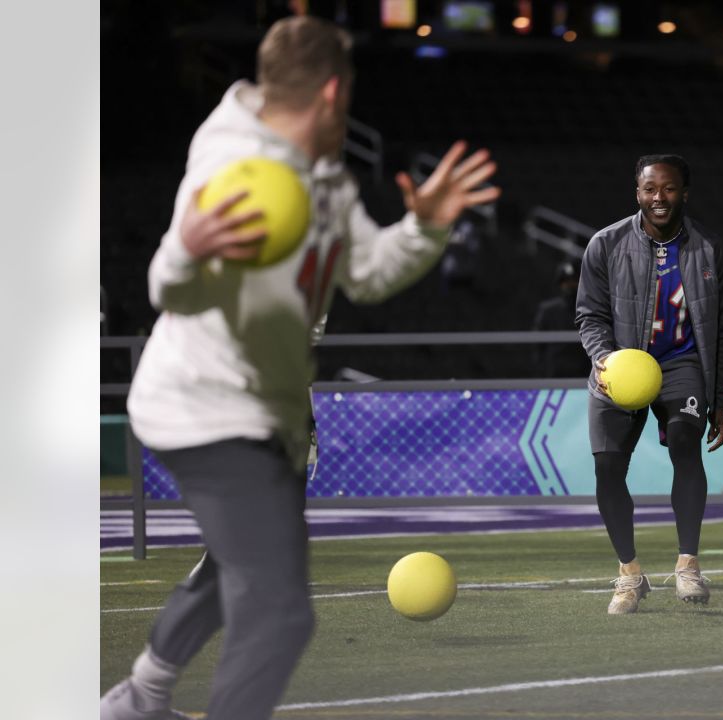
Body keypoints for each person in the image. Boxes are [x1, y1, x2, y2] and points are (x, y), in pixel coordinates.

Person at [102, 16, 500, 720]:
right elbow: (170, 287)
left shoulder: (326, 178)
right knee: (282, 613)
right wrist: (183, 248)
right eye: (348, 91)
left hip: (266, 412)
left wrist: (426, 226)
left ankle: (141, 697)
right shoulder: (232, 159)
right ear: (331, 92)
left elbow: (370, 274)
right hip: (206, 405)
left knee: (234, 567)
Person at [576, 154, 723, 614]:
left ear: (684, 192)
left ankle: (688, 564)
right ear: (637, 192)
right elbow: (588, 313)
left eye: (668, 189)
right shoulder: (605, 244)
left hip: (681, 364)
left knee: (685, 442)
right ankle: (629, 574)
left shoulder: (710, 248)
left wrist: (719, 397)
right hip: (619, 367)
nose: (658, 198)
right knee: (608, 468)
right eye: (649, 189)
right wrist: (605, 359)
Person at [531, 260, 590, 377]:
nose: (571, 285)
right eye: (566, 281)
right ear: (560, 284)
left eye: (574, 281)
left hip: (585, 374)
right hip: (555, 374)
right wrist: (541, 372)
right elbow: (537, 346)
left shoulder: (592, 310)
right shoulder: (548, 311)